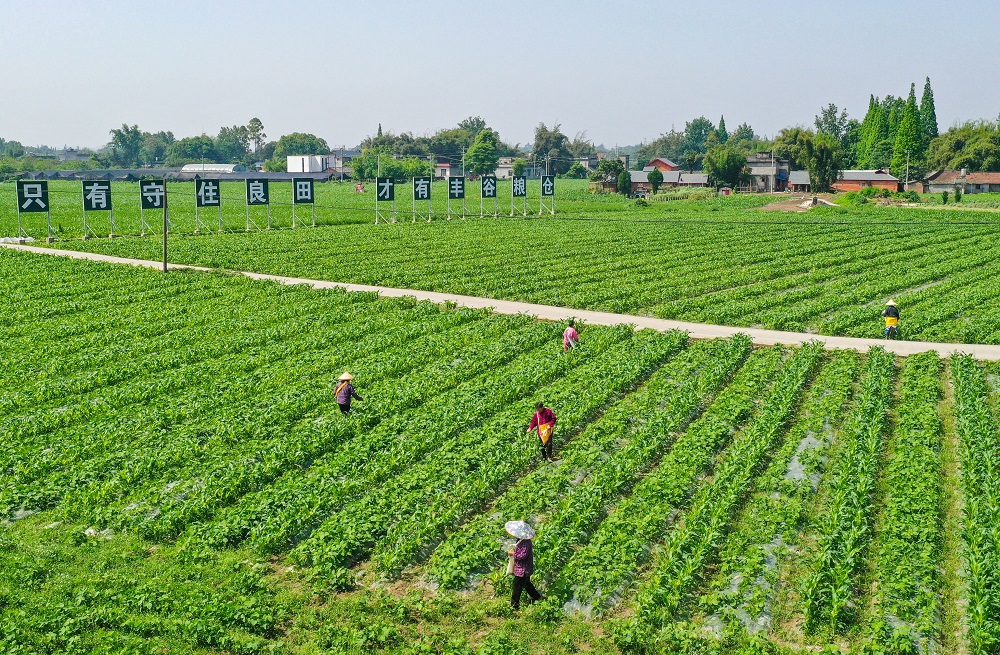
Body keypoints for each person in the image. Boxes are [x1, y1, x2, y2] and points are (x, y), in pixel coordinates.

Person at [505, 520, 541, 610]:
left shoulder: (526, 543)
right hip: (523, 569)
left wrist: (512, 554)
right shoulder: (520, 540)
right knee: (527, 584)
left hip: (523, 570)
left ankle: (514, 606)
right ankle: (536, 597)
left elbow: (522, 556)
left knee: (517, 587)